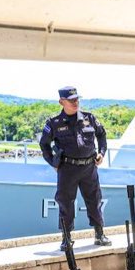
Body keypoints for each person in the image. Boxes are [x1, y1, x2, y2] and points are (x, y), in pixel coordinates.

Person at [40, 86, 112, 249]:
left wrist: (101, 152)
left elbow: (101, 135)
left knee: (94, 200)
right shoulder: (54, 123)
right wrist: (53, 163)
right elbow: (44, 144)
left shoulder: (89, 118)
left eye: (77, 99)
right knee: (65, 203)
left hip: (89, 167)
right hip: (67, 168)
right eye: (71, 100)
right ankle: (66, 238)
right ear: (61, 102)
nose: (75, 102)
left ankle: (99, 234)